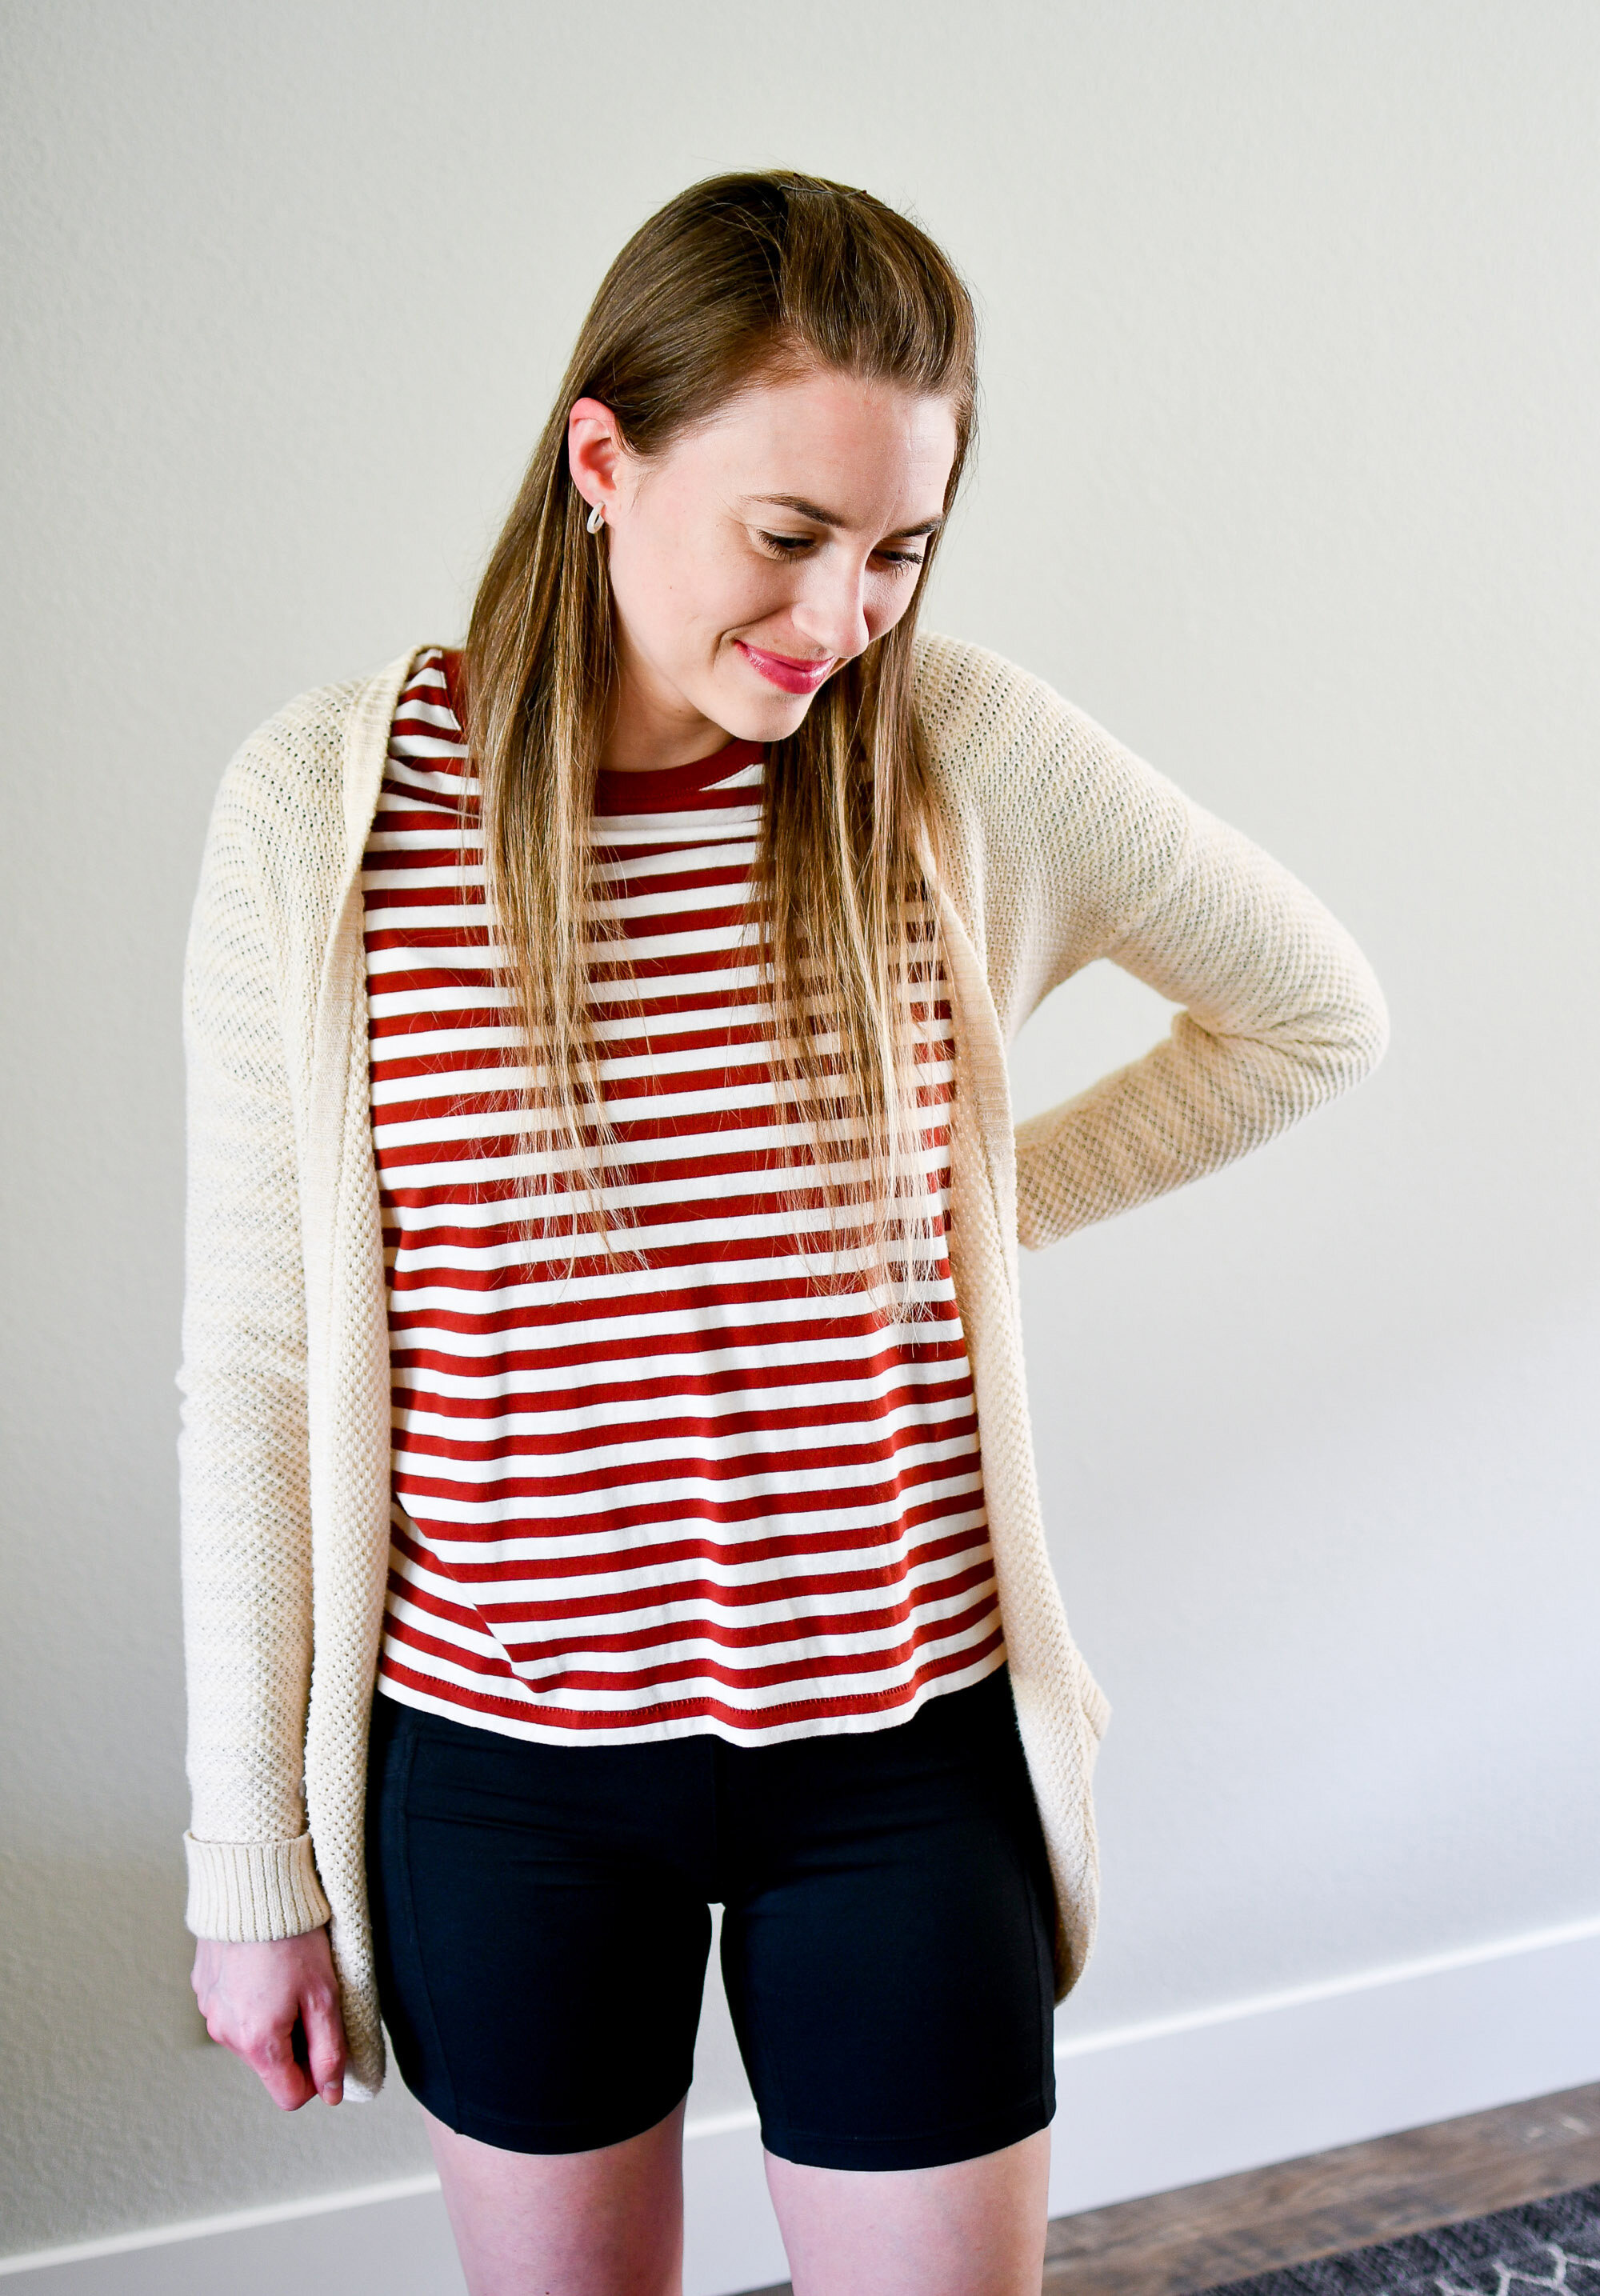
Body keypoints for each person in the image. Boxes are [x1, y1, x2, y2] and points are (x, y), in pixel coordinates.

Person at [180, 170, 1388, 2296]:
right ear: (601, 457)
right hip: (507, 1775)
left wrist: (956, 1219)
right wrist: (249, 1857)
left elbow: (1305, 1017)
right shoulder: (335, 809)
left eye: (901, 551)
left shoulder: (955, 753)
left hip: (904, 1765)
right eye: (790, 537)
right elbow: (259, 1365)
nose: (845, 619)